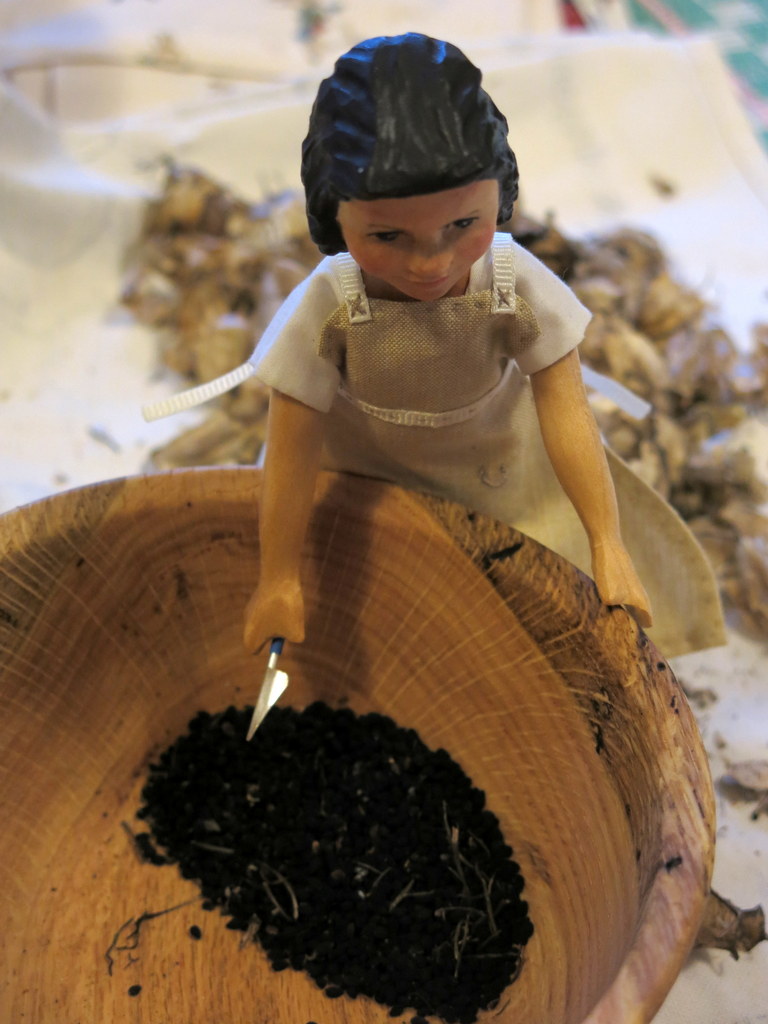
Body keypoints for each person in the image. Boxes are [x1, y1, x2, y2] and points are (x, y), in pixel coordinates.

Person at [144, 33, 723, 658]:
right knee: (364, 626)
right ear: (333, 214)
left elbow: (566, 405)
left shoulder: (510, 282)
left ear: (500, 196)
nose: (431, 263)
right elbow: (289, 443)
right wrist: (279, 575)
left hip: (502, 482)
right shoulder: (331, 303)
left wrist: (606, 542)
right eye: (388, 236)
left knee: (531, 621)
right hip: (361, 489)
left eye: (463, 225)